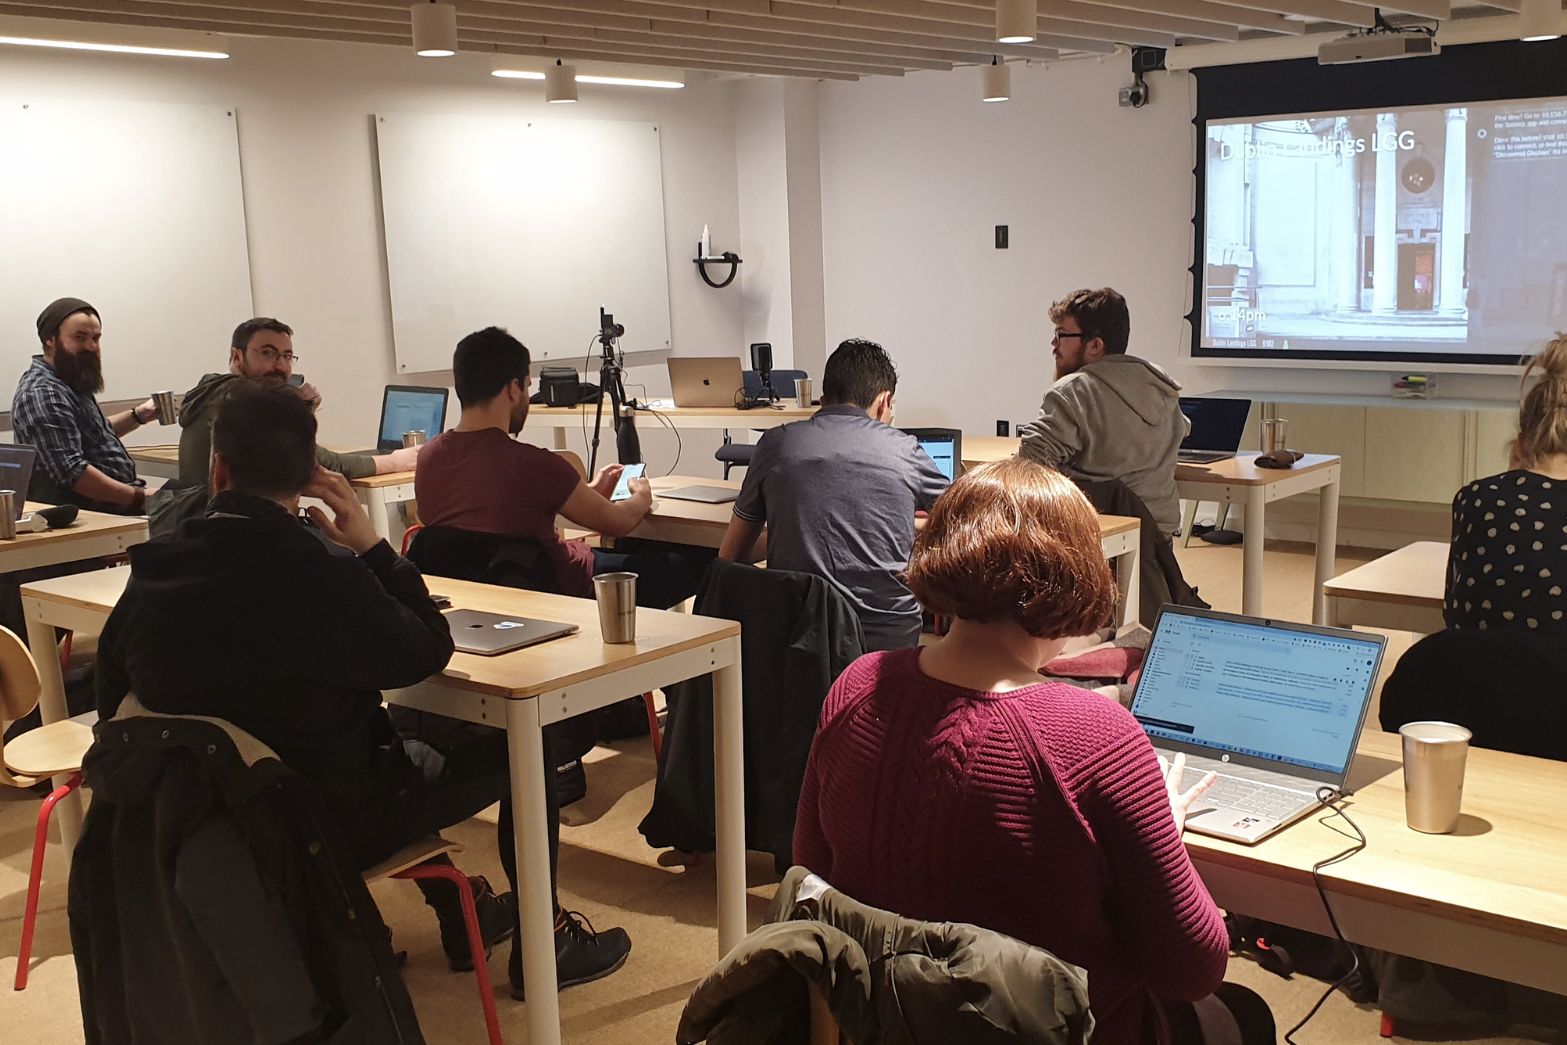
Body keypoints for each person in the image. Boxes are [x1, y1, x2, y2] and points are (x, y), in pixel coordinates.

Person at [95, 383, 631, 996]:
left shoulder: (153, 574)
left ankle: (465, 913)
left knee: (388, 744)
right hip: (325, 821)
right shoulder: (320, 572)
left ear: (218, 470)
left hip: (198, 823)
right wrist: (374, 547)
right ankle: (548, 943)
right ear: (310, 477)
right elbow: (427, 648)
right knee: (525, 744)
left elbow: (115, 706)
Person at [794, 458, 1271, 1045]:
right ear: (1073, 579)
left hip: (883, 1023)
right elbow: (1192, 968)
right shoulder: (1099, 737)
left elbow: (812, 881)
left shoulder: (857, 685)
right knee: (1243, 1013)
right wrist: (1163, 830)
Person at [415, 326, 706, 611]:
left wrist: (587, 493)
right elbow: (618, 522)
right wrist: (641, 495)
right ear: (513, 389)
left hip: (482, 602)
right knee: (704, 563)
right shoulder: (533, 465)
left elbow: (494, 516)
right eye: (528, 387)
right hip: (568, 589)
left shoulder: (428, 459)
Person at [717, 338, 949, 650]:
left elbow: (730, 555)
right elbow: (965, 520)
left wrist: (795, 535)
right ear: (884, 401)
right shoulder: (903, 449)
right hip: (885, 643)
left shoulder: (774, 445)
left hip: (797, 641)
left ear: (823, 399)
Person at [1018, 288, 1188, 535]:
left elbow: (1029, 466)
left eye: (1061, 334)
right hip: (1159, 542)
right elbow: (1183, 427)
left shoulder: (1074, 391)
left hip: (1099, 541)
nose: (1053, 344)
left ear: (1095, 345)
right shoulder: (1159, 386)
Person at [175, 317, 420, 486]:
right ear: (236, 357)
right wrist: (395, 461)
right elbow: (316, 461)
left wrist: (301, 414)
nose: (280, 366)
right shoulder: (244, 399)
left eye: (287, 356)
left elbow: (283, 449)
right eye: (268, 353)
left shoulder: (211, 390)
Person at [1446, 333, 1567, 633]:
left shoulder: (1475, 499)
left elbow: (1454, 615)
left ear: (1521, 442)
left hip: (1478, 676)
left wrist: (1515, 478)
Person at [13, 297, 160, 514]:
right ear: (50, 340)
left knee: (198, 496)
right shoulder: (44, 393)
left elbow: (92, 436)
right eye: (80, 337)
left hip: (111, 503)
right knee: (198, 510)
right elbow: (72, 471)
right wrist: (139, 497)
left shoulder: (68, 380)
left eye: (96, 338)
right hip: (90, 512)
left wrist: (137, 416)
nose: (91, 346)